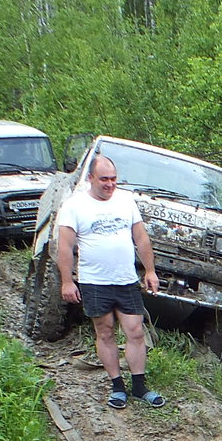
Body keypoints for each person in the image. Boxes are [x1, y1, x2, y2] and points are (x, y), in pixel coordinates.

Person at [53, 155, 166, 410]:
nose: (110, 184)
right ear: (90, 178)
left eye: (113, 179)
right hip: (94, 281)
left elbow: (141, 238)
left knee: (135, 330)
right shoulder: (74, 205)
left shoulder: (126, 201)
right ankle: (117, 387)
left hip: (125, 279)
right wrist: (66, 282)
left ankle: (139, 386)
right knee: (104, 332)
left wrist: (150, 271)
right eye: (104, 179)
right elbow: (65, 246)